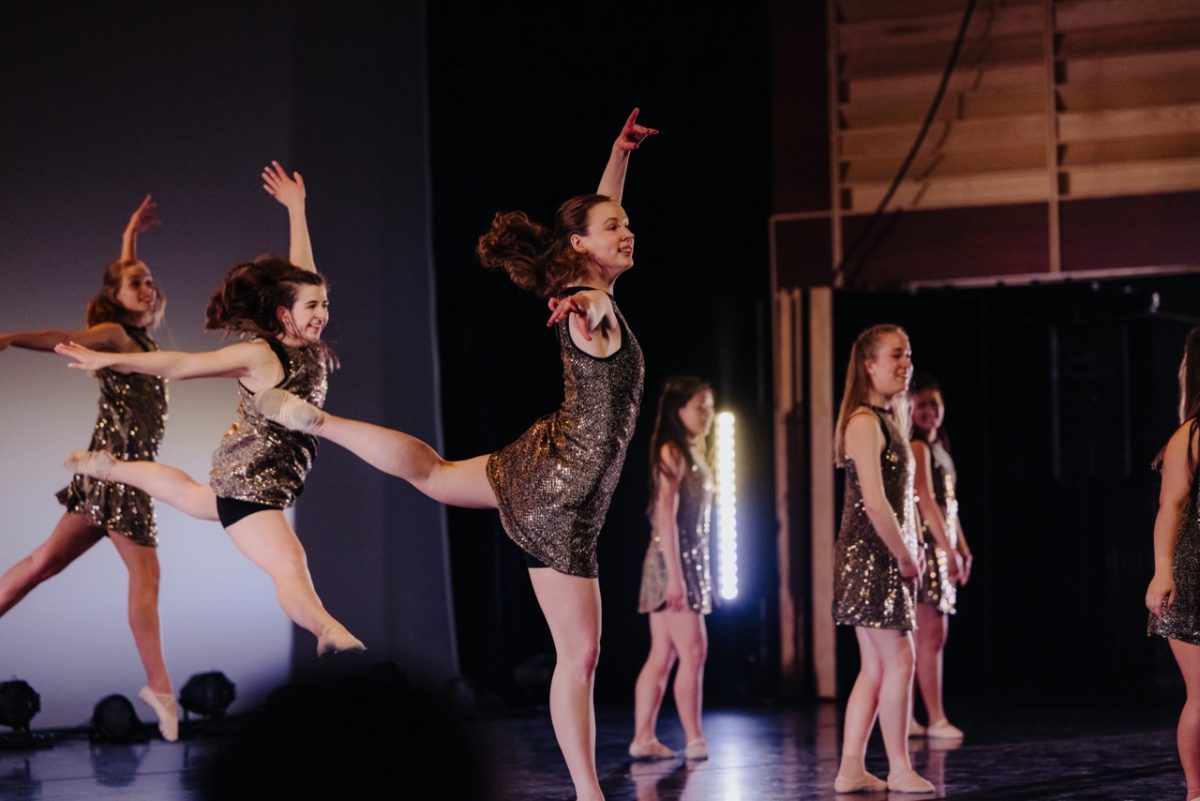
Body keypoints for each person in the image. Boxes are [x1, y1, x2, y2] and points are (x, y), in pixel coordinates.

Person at [251, 109, 657, 801]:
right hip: (562, 492)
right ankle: (589, 793)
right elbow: (590, 302)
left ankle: (321, 421)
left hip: (551, 459)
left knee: (436, 474)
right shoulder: (591, 297)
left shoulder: (590, 281)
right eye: (613, 227)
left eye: (625, 222)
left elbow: (586, 244)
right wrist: (584, 309)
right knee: (580, 654)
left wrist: (617, 155)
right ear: (582, 248)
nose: (628, 230)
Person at [57, 162, 364, 659]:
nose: (323, 313)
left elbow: (302, 274)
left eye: (325, 304)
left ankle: (112, 467)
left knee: (194, 497)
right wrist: (114, 357)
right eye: (313, 306)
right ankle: (325, 627)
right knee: (289, 563)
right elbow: (180, 364)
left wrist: (296, 208)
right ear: (285, 314)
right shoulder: (262, 353)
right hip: (250, 486)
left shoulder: (304, 340)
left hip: (249, 478)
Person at [0, 196, 181, 740]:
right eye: (137, 284)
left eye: (150, 281)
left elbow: (120, 278)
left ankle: (161, 687)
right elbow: (63, 338)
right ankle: (161, 689)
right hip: (116, 473)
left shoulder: (137, 335)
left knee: (41, 565)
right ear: (115, 298)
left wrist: (130, 235)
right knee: (144, 576)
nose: (147, 289)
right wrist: (9, 338)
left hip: (111, 474)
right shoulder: (116, 336)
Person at [831, 324, 933, 794]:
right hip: (870, 557)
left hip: (881, 554)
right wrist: (906, 557)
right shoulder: (864, 422)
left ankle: (852, 769)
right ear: (869, 364)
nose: (905, 363)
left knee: (875, 668)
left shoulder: (888, 419)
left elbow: (903, 499)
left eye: (908, 354)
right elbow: (874, 502)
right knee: (899, 658)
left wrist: (917, 549)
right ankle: (898, 767)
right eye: (896, 355)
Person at [630, 376, 715, 762]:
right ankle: (694, 738)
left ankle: (644, 737)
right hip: (672, 562)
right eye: (700, 406)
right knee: (693, 652)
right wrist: (676, 578)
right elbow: (665, 516)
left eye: (710, 406)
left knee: (662, 654)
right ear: (678, 411)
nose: (707, 414)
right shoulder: (671, 451)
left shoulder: (692, 451)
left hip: (684, 560)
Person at [1147, 326, 1200, 801]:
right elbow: (1171, 508)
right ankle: (1196, 791)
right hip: (1195, 576)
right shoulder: (1191, 434)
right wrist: (1163, 570)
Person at [908, 373, 973, 740]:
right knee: (928, 637)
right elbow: (927, 502)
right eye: (921, 405)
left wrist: (963, 548)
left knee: (932, 637)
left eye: (934, 403)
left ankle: (916, 717)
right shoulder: (917, 447)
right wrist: (948, 550)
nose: (929, 411)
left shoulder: (939, 448)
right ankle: (934, 717)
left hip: (942, 544)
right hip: (928, 547)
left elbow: (950, 508)